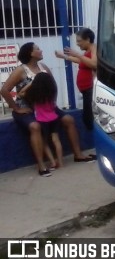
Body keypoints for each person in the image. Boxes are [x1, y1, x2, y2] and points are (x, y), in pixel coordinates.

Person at [0, 42, 95, 176]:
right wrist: (15, 108)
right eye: (37, 49)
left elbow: (53, 85)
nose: (41, 50)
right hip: (26, 108)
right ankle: (41, 165)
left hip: (45, 106)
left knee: (68, 119)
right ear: (30, 53)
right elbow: (4, 90)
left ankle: (78, 154)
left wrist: (52, 103)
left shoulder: (43, 67)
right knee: (35, 127)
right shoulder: (21, 70)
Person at [55, 28, 97, 131]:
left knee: (89, 118)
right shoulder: (87, 51)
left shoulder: (94, 48)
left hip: (91, 89)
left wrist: (77, 54)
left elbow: (94, 64)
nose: (78, 44)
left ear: (87, 39)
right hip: (86, 90)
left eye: (79, 41)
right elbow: (82, 61)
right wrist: (64, 56)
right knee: (87, 117)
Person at [24, 72, 64, 170]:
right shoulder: (52, 91)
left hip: (42, 120)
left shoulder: (34, 93)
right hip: (54, 118)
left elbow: (21, 94)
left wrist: (31, 84)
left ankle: (53, 162)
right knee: (56, 140)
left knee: (44, 142)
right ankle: (61, 162)